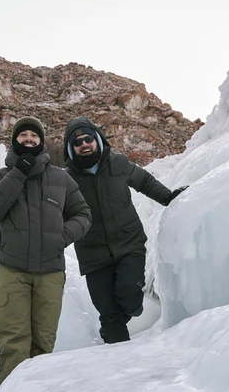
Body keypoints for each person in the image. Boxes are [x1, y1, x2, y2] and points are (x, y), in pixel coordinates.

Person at [0, 116, 91, 385]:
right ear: (14, 141)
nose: (29, 139)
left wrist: (63, 236)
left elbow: (83, 214)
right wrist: (19, 172)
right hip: (12, 272)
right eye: (23, 136)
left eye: (34, 136)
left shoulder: (60, 179)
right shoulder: (0, 177)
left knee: (43, 344)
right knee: (13, 343)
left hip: (50, 274)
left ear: (41, 142)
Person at [63, 116, 187, 344]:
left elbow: (145, 183)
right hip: (93, 258)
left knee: (129, 299)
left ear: (97, 139)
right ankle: (118, 369)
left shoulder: (118, 163)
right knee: (110, 318)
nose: (84, 144)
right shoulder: (67, 180)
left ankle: (130, 310)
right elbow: (58, 215)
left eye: (88, 138)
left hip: (129, 246)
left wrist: (169, 197)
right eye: (77, 142)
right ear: (71, 149)